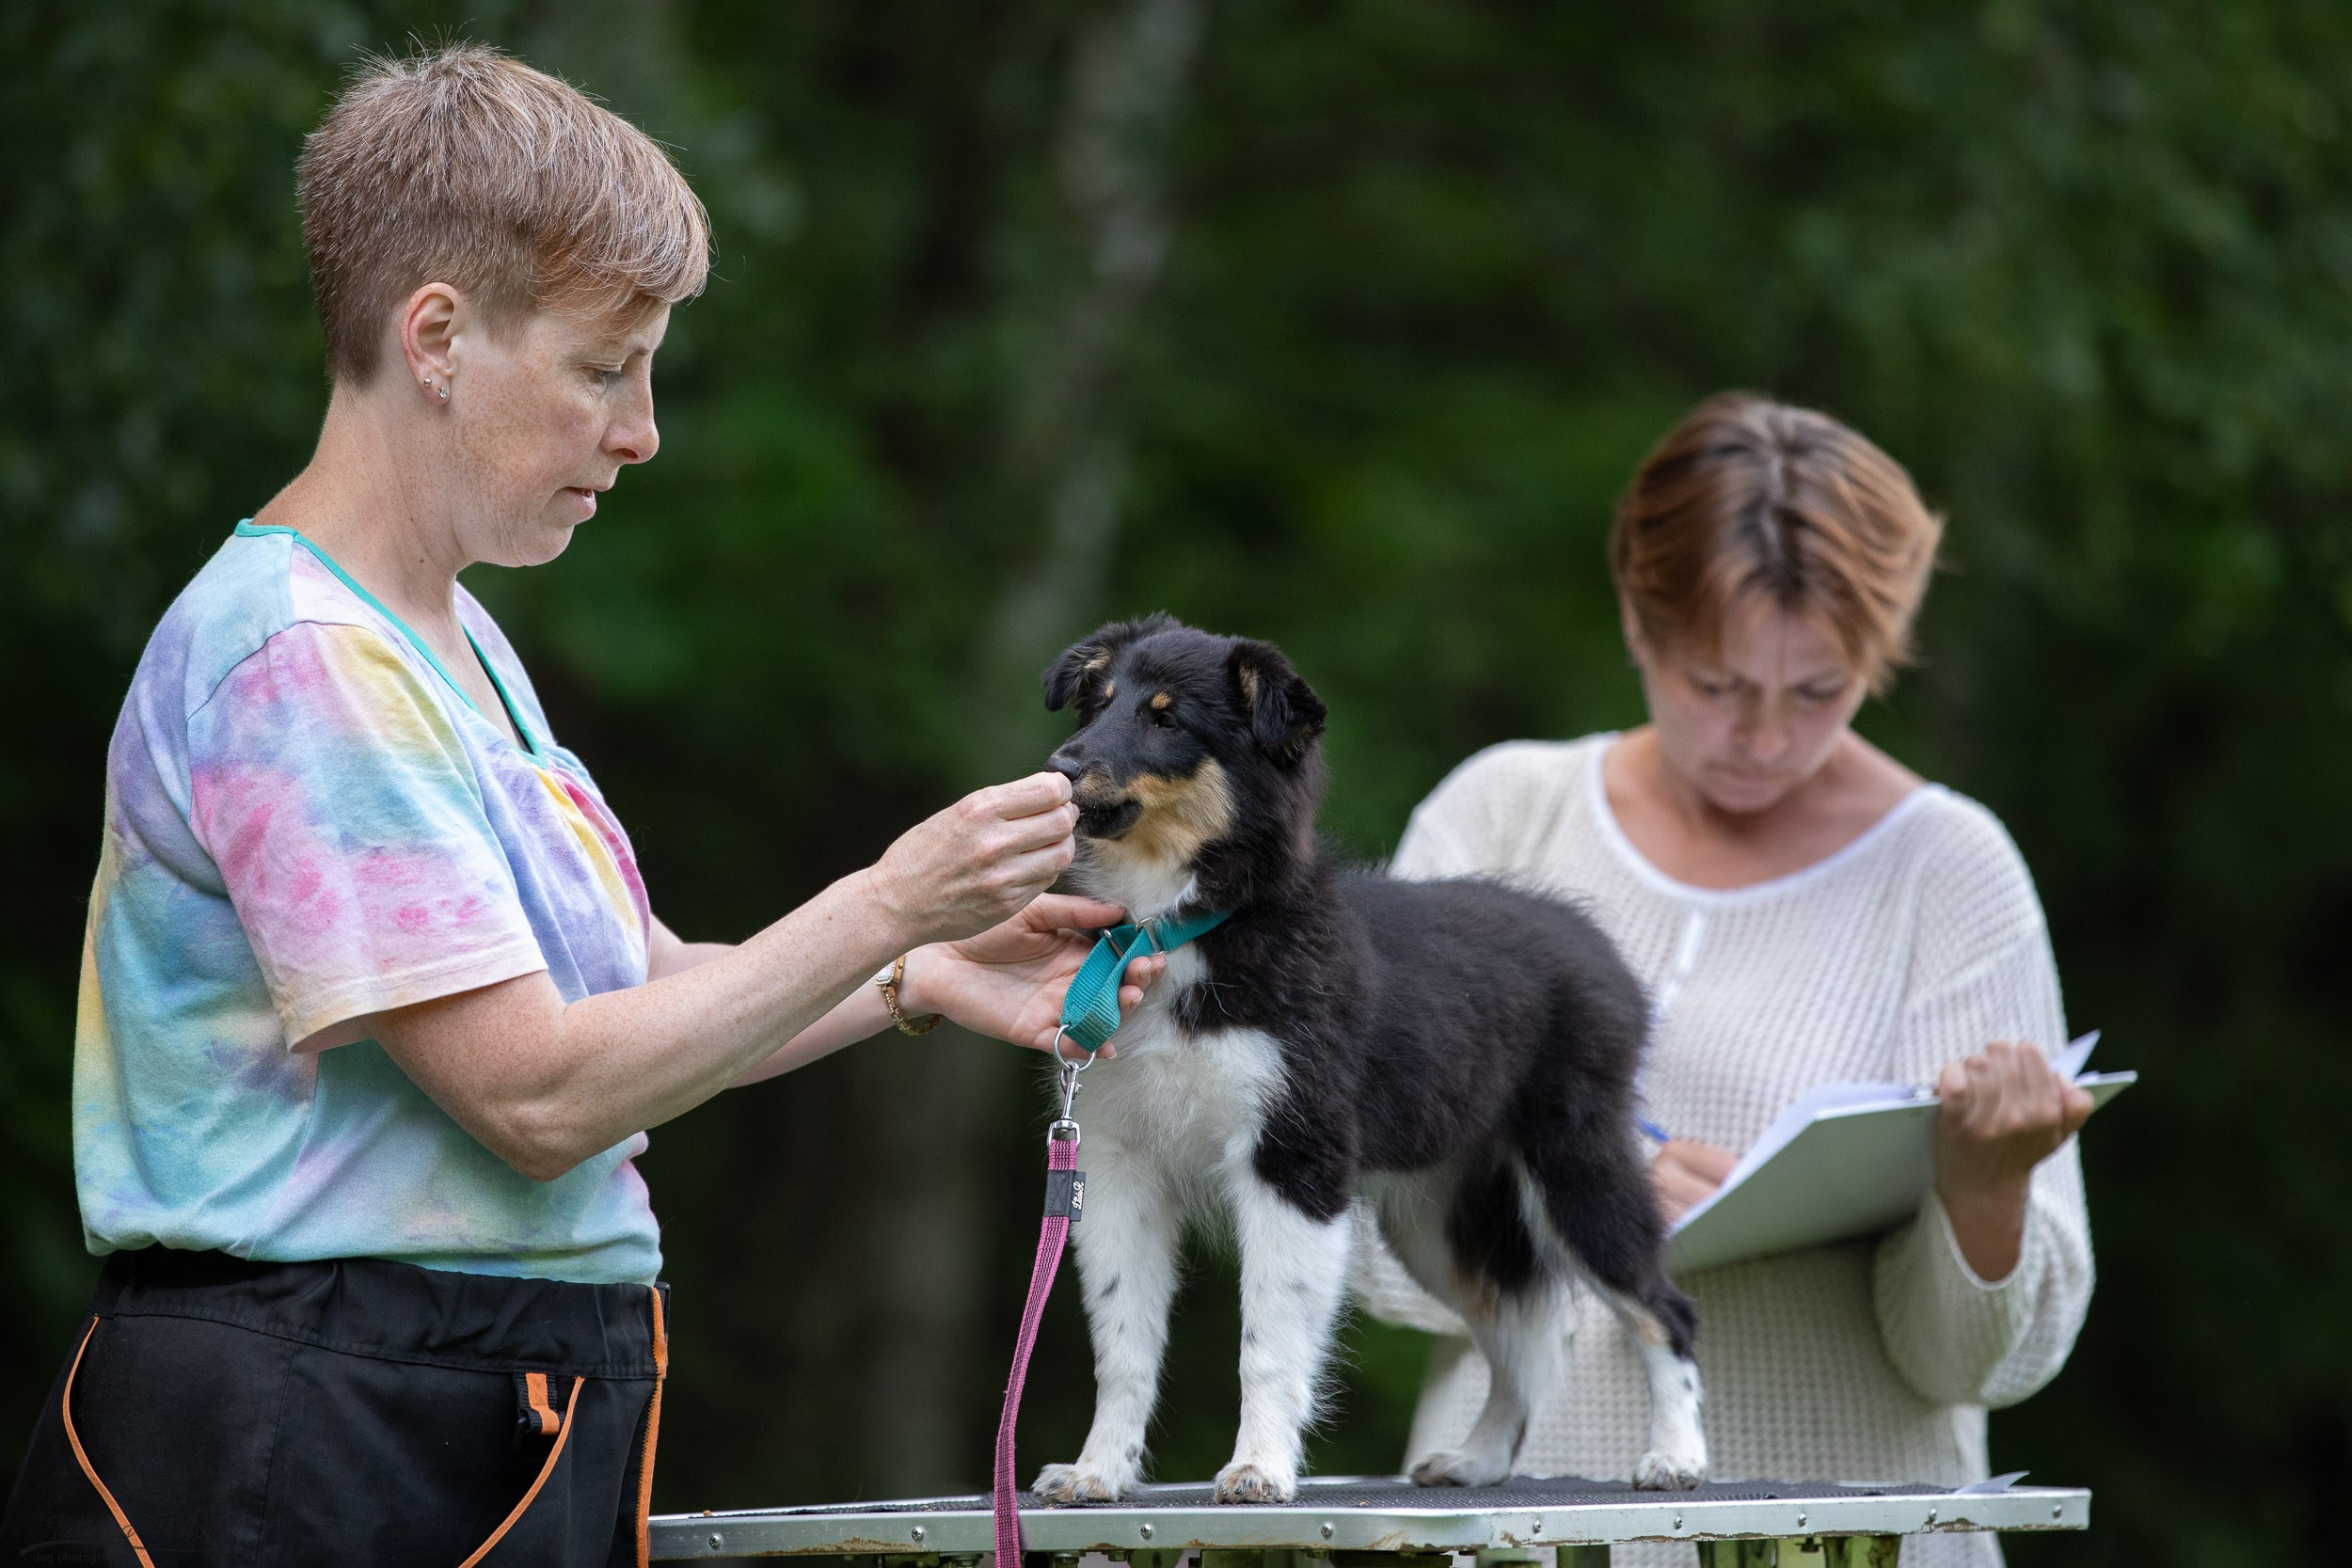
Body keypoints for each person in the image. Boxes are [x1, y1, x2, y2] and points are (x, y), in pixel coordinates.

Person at [0, 45, 1164, 1568]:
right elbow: (538, 1096)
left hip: (460, 1407)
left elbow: (639, 993)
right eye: (606, 367)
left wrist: (920, 971)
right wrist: (886, 896)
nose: (643, 429)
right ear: (437, 339)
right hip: (303, 1437)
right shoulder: (303, 660)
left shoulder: (449, 637)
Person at [1351, 393, 2096, 1567]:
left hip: (1856, 1537)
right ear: (1639, 622)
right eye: (1716, 684)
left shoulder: (1950, 870)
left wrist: (1983, 1187)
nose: (1760, 735)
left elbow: (1988, 1361)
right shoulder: (1502, 811)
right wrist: (1579, 1171)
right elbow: (1341, 1224)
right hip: (1508, 1536)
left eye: (1816, 691)